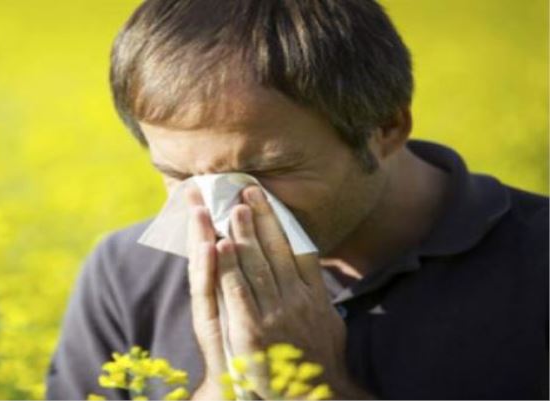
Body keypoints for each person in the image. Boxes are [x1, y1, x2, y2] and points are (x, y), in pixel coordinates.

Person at [45, 0, 549, 399]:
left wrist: (313, 390)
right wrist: (223, 387)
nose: (226, 214)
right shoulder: (125, 273)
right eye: (179, 176)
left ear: (385, 128)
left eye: (267, 171)